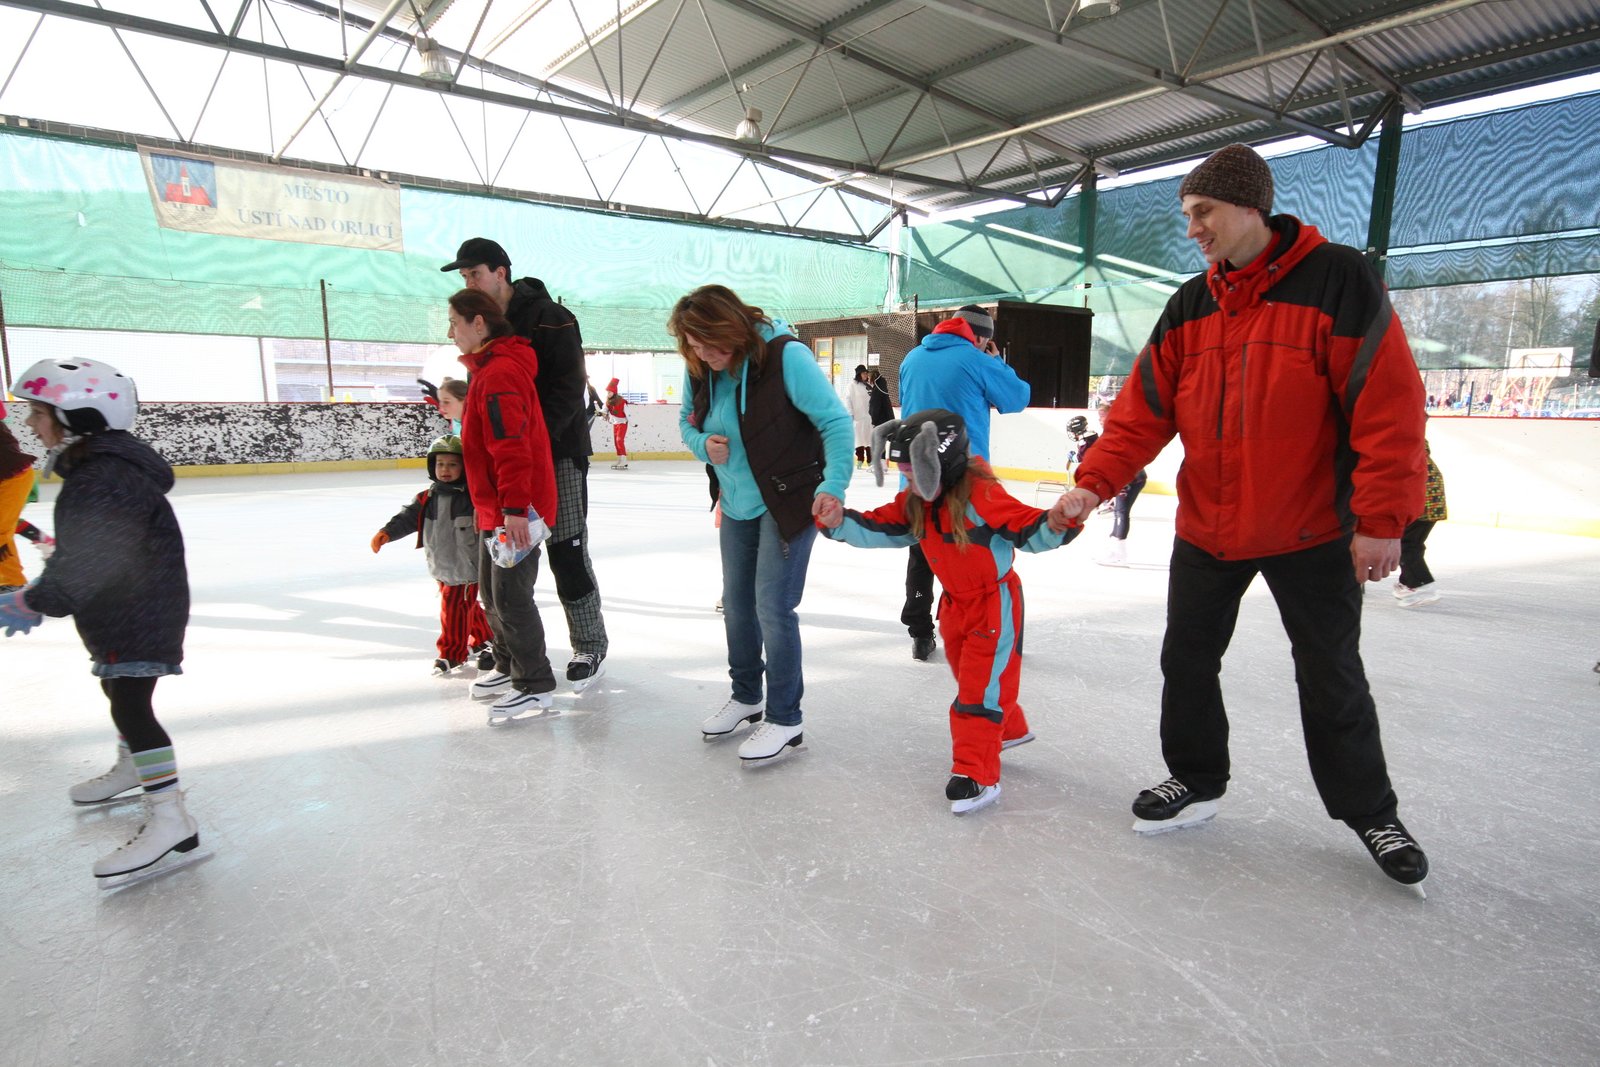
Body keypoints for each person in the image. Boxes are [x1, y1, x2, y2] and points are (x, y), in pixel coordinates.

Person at [1049, 143, 1431, 890]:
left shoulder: (1339, 280)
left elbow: (1387, 406)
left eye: (1204, 212)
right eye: (1188, 216)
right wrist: (1094, 484)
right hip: (1209, 526)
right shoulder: (1192, 303)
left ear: (1251, 206)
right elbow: (1142, 412)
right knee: (1187, 660)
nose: (1193, 229)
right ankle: (1195, 778)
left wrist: (1383, 518)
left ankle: (1371, 810)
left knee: (1331, 673)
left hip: (1311, 527)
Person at [818, 410, 1079, 813]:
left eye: (915, 472)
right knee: (975, 679)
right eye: (905, 473)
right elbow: (882, 526)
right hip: (955, 605)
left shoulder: (982, 496)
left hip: (994, 606)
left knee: (977, 693)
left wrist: (1059, 521)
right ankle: (1009, 729)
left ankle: (977, 775)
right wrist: (839, 523)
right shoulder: (918, 501)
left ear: (941, 462)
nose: (910, 481)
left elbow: (1027, 529)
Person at [2, 358, 202, 884]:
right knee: (120, 693)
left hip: (136, 610)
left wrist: (35, 600)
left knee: (133, 707)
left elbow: (91, 561)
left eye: (38, 413)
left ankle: (170, 819)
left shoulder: (103, 476)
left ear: (76, 416)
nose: (30, 424)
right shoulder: (100, 469)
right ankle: (134, 766)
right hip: (128, 607)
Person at [670, 284, 853, 764]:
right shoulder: (699, 366)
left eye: (711, 345)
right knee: (736, 605)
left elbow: (835, 422)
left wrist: (834, 484)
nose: (704, 355)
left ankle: (786, 718)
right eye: (694, 345)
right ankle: (747, 695)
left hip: (788, 500)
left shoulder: (785, 356)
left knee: (773, 606)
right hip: (735, 501)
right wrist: (701, 444)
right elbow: (686, 420)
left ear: (732, 328)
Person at [442, 238, 608, 691]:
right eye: (465, 277)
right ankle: (509, 653)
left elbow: (569, 389)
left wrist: (533, 443)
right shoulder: (480, 329)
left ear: (501, 272)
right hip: (510, 461)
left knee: (566, 549)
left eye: (474, 273)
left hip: (558, 454)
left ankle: (589, 643)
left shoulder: (551, 318)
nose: (469, 282)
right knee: (501, 558)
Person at [446, 288, 562, 723]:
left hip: (517, 509)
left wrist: (513, 509)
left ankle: (534, 684)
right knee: (492, 595)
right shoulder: (486, 369)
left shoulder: (500, 373)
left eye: (454, 322)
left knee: (511, 598)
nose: (451, 332)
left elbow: (511, 447)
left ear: (478, 322)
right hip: (496, 507)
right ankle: (510, 664)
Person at [897, 305, 1030, 661]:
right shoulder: (977, 360)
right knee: (978, 559)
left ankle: (920, 632)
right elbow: (1017, 399)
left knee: (922, 556)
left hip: (918, 479)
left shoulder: (912, 358)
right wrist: (997, 362)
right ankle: (981, 631)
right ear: (982, 337)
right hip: (965, 481)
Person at [371, 434, 494, 675]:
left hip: (467, 566)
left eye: (452, 464)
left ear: (465, 467)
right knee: (463, 605)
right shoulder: (427, 498)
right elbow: (407, 518)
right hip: (440, 563)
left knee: (454, 608)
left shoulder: (473, 498)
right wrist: (387, 532)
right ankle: (484, 637)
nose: (445, 470)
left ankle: (452, 653)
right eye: (440, 464)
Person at [1068, 399, 1147, 566]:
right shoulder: (1110, 431)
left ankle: (1119, 552)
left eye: (1102, 416)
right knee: (1120, 512)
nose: (1099, 419)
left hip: (1131, 477)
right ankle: (1115, 548)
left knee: (1121, 513)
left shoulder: (1116, 431)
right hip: (1129, 476)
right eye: (1099, 416)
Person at [1394, 443, 1446, 607]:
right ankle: (1407, 583)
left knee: (1405, 545)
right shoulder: (1418, 452)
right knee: (1412, 543)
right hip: (1431, 505)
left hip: (1421, 505)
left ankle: (1422, 585)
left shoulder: (1408, 454)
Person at [1, 402, 36, 593]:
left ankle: (12, 582)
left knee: (2, 529)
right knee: (6, 526)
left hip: (13, 478)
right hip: (11, 476)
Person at [847, 364, 873, 467]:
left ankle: (870, 460)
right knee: (859, 439)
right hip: (858, 417)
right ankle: (860, 459)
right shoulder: (852, 385)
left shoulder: (869, 385)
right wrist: (850, 413)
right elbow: (848, 400)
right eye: (864, 373)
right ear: (859, 374)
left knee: (869, 439)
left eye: (866, 373)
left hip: (869, 417)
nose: (866, 375)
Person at [604, 378, 629, 470]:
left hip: (622, 423)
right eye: (607, 392)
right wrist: (601, 413)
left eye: (610, 392)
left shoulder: (622, 401)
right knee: (616, 442)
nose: (608, 394)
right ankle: (619, 459)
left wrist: (633, 423)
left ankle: (624, 460)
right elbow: (604, 410)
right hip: (615, 423)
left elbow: (628, 413)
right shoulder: (608, 402)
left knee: (619, 440)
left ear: (614, 392)